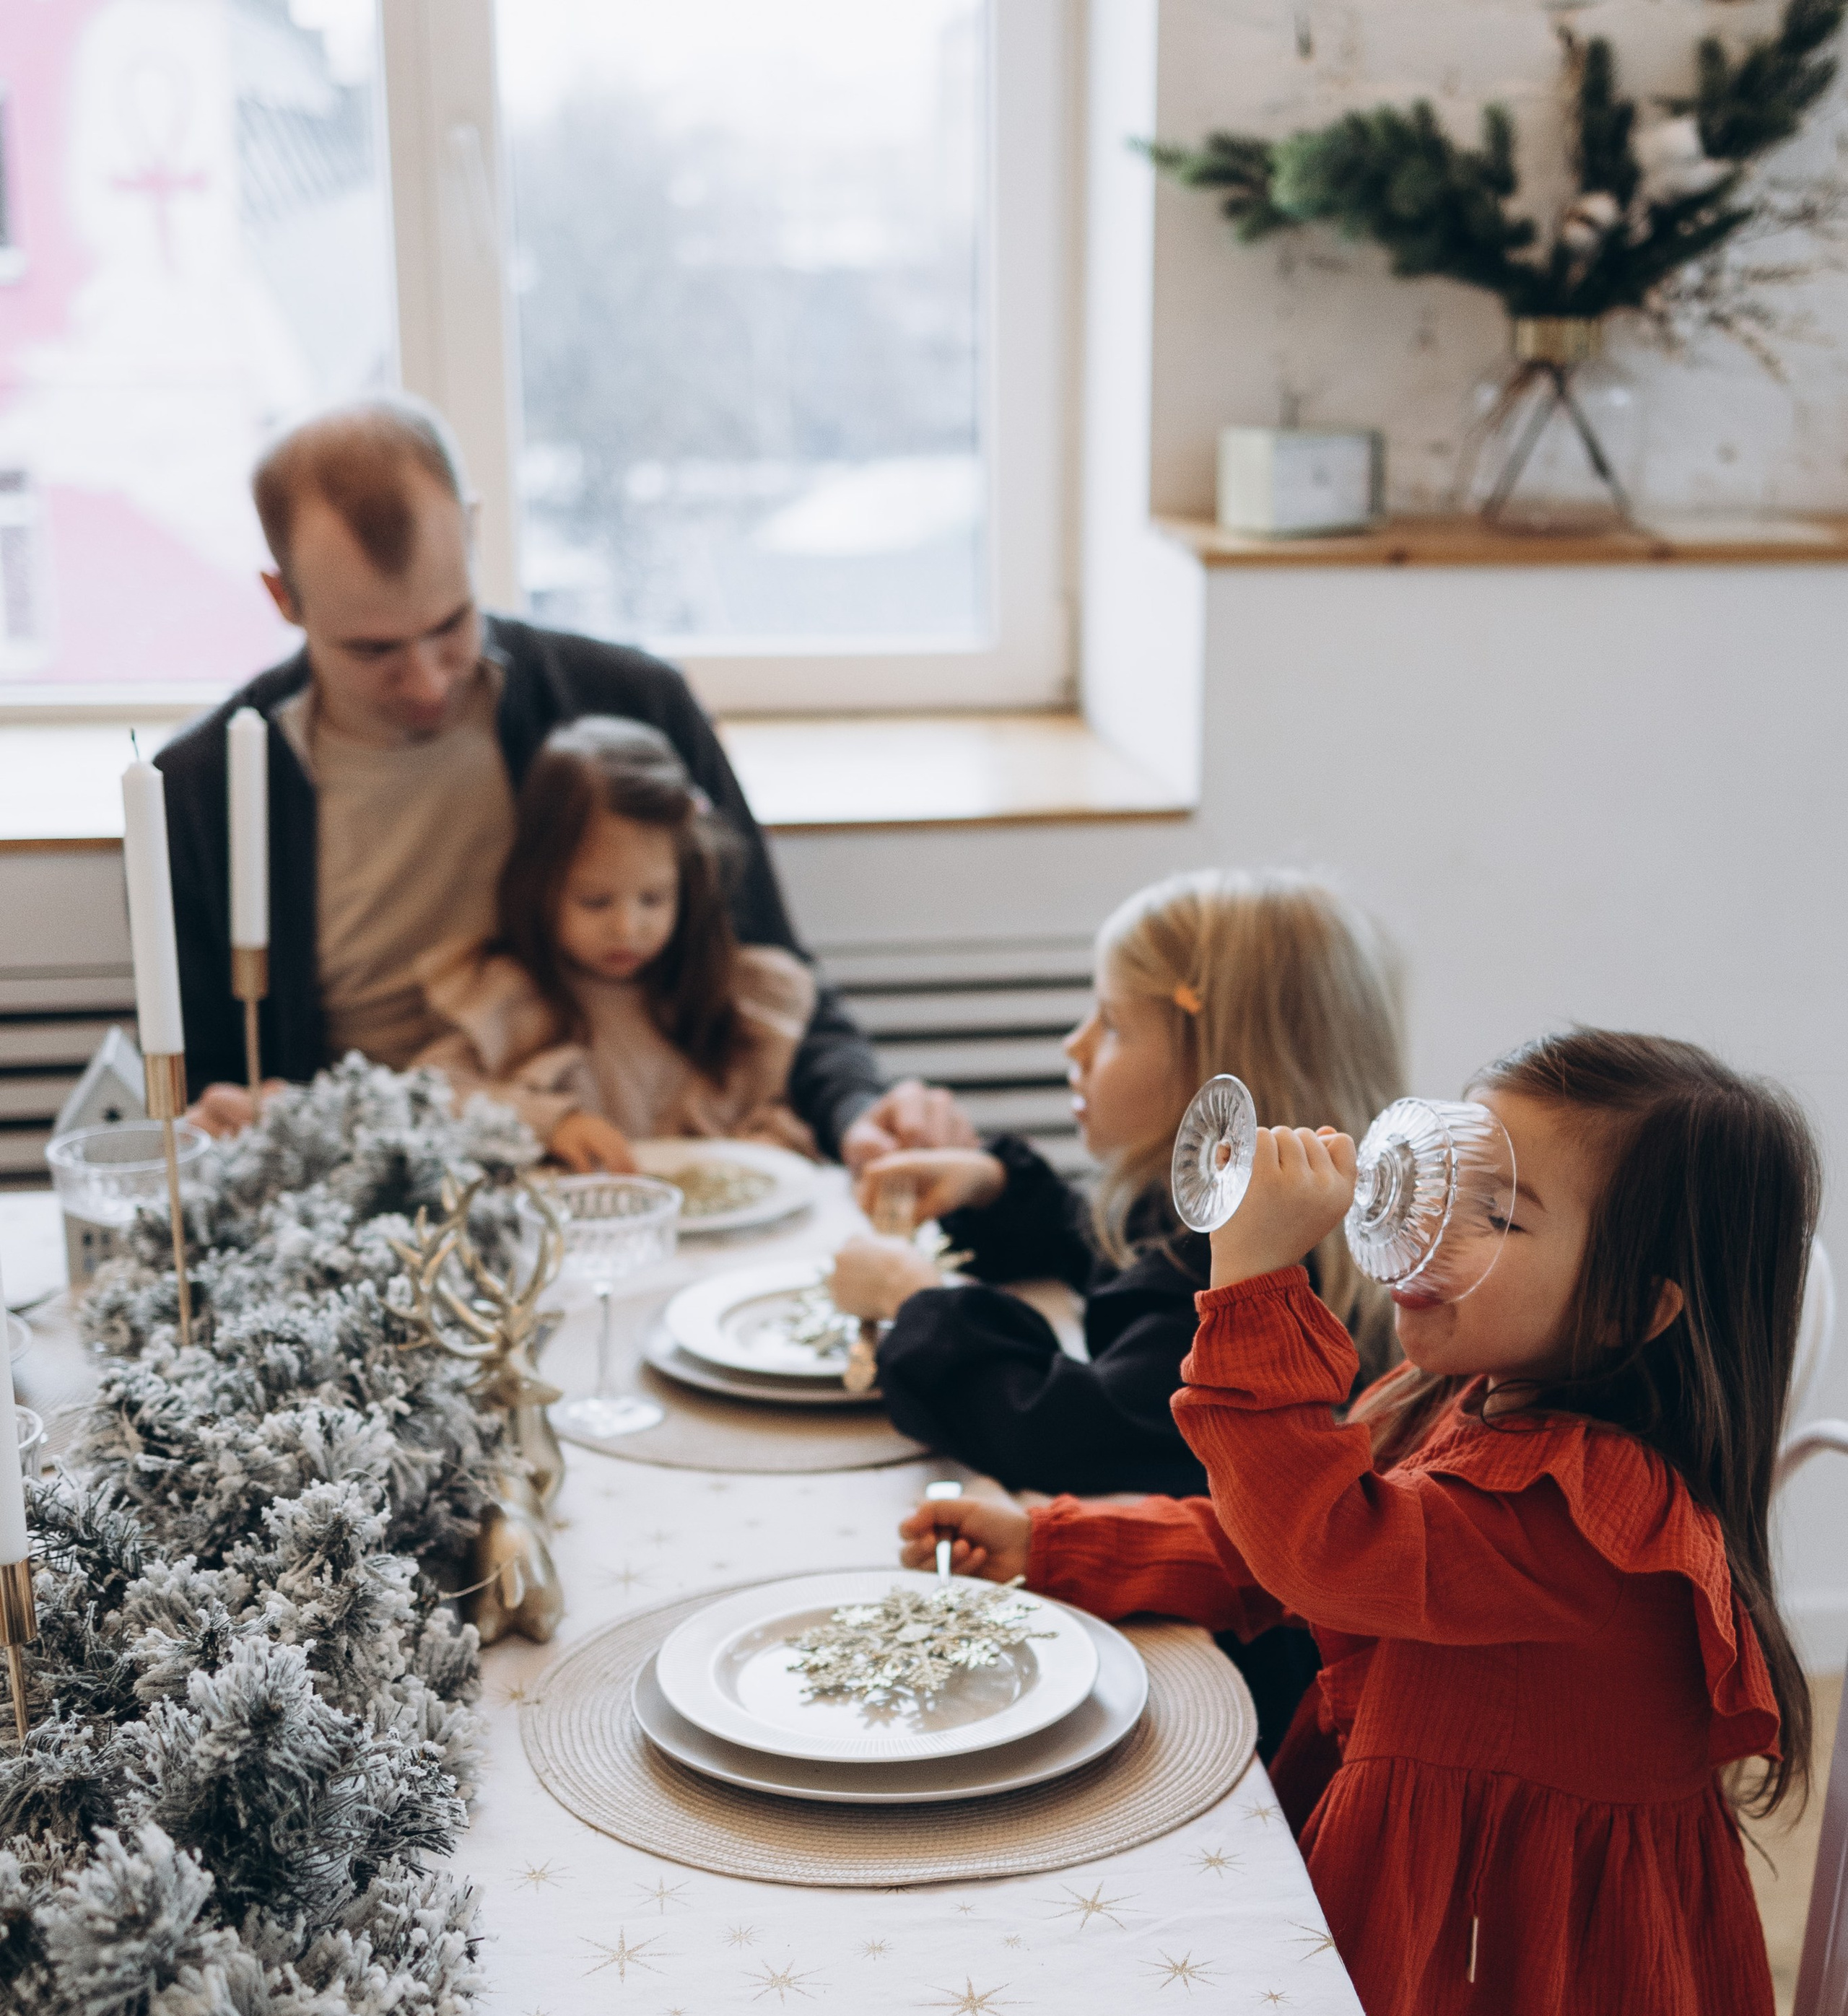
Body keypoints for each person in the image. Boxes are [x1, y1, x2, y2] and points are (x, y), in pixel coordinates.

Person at [899, 1029, 1813, 2016]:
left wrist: (1256, 1279)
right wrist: (1060, 1540)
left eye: (1501, 1212)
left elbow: (1325, 1540)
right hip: (1435, 1944)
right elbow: (1287, 1537)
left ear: (1638, 1314)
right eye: (1452, 1173)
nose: (1434, 1223)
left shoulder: (1588, 1523)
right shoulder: (1477, 1395)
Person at [154, 393, 963, 1168]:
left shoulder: (630, 706)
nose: (430, 682)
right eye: (374, 652)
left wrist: (860, 1110)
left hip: (614, 1162)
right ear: (282, 597)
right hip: (359, 1184)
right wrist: (229, 1118)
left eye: (450, 625)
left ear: (473, 534)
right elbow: (216, 1080)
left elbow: (761, 964)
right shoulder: (203, 794)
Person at [830, 872, 1403, 1753]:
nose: (1075, 1043)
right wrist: (994, 1190)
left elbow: (1074, 1432)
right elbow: (1112, 1263)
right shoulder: (1214, 1225)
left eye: (1112, 1024)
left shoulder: (1246, 1277)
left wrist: (918, 1300)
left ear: (1217, 1075)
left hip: (1222, 1668)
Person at [413, 717, 816, 1168]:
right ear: (539, 886)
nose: (627, 929)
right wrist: (551, 1123)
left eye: (653, 898)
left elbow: (767, 1109)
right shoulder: (505, 997)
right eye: (596, 901)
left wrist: (768, 1145)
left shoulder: (728, 994)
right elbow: (429, 1098)